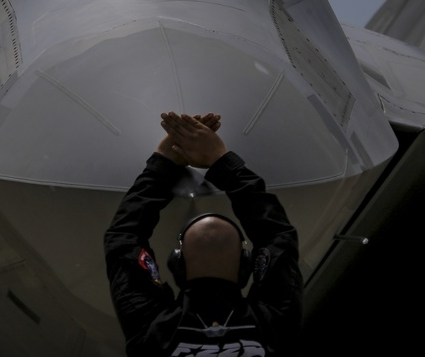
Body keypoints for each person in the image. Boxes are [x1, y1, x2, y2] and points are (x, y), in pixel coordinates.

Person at [104, 112, 302, 356]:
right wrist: (221, 162)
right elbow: (278, 237)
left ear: (176, 265)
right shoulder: (273, 324)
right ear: (246, 266)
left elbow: (123, 239)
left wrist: (163, 165)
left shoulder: (153, 328)